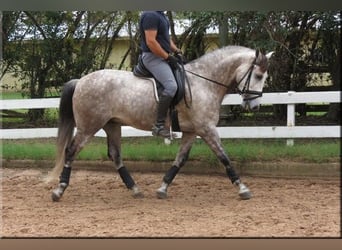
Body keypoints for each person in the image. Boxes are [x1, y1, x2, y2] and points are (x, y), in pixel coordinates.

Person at [139, 11, 182, 138]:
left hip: (161, 56)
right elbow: (151, 42)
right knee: (171, 86)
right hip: (153, 57)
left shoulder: (161, 16)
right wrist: (168, 57)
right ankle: (159, 126)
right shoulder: (151, 15)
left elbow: (165, 39)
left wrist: (177, 51)